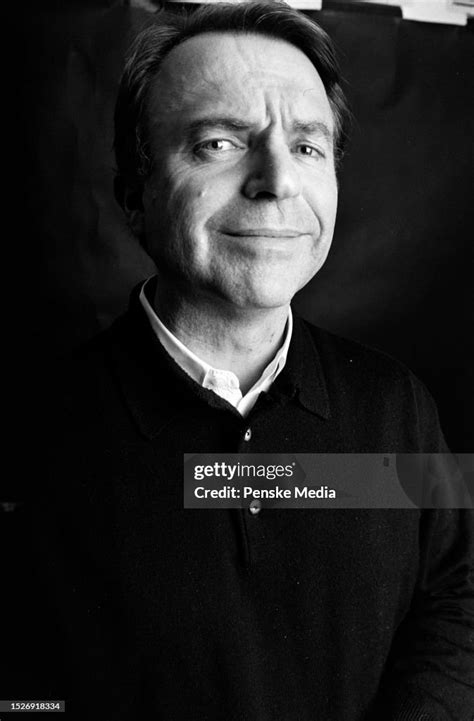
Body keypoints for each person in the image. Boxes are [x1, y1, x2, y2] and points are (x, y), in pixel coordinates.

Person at [28, 2, 472, 719]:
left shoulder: (399, 407)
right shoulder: (36, 438)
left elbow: (459, 586)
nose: (277, 180)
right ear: (133, 198)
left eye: (306, 147)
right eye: (218, 143)